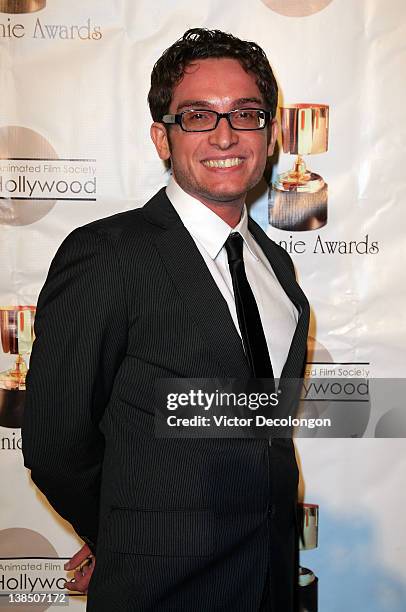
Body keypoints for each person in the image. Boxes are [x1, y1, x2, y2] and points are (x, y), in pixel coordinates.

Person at [22, 28, 309, 611]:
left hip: (271, 581)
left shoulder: (276, 264)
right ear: (163, 138)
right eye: (198, 116)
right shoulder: (108, 251)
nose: (225, 134)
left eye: (246, 114)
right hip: (161, 589)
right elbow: (56, 444)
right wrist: (118, 534)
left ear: (271, 133)